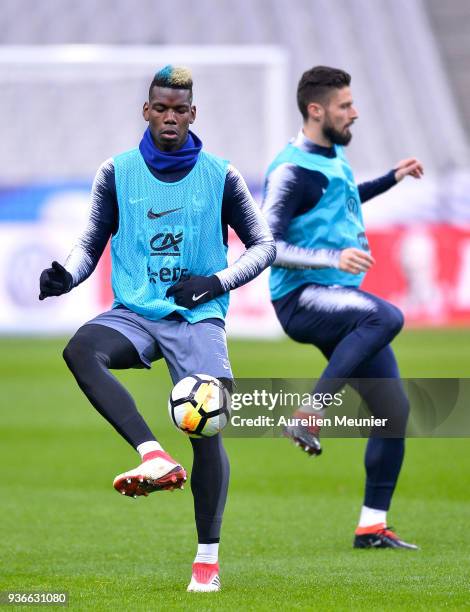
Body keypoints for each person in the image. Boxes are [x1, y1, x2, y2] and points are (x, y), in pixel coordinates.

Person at [39, 65, 275, 592]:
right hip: (137, 312)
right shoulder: (117, 172)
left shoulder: (221, 174)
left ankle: (206, 561)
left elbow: (264, 246)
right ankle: (153, 455)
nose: (170, 117)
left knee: (205, 425)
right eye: (161, 108)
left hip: (197, 317)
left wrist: (213, 283)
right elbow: (93, 238)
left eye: (180, 110)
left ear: (193, 115)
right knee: (80, 350)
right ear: (146, 111)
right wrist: (67, 276)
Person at [262, 66, 423, 549]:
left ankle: (372, 526)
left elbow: (345, 199)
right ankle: (309, 412)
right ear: (317, 110)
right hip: (301, 298)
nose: (354, 112)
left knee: (392, 415)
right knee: (386, 315)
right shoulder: (290, 169)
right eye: (345, 106)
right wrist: (332, 257)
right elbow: (266, 244)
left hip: (337, 299)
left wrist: (391, 179)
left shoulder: (333, 156)